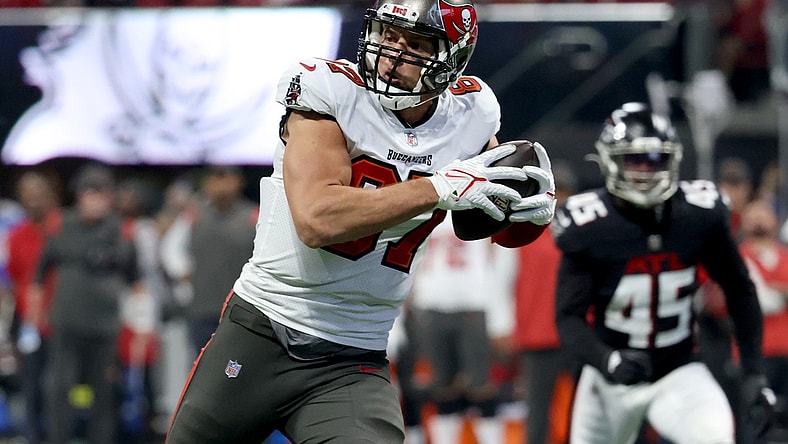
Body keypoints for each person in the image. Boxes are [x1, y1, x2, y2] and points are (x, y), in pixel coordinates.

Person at [165, 0, 557, 442]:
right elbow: (317, 220)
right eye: (389, 36)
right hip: (262, 331)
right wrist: (437, 187)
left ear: (451, 58)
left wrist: (524, 213)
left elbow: (483, 215)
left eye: (416, 44)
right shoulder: (328, 93)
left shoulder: (471, 115)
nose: (394, 53)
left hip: (353, 359)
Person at [552, 102, 774, 444]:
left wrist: (753, 373)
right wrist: (607, 360)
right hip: (609, 377)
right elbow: (568, 317)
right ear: (611, 160)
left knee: (714, 437)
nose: (646, 171)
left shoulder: (697, 215)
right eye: (635, 160)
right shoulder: (590, 225)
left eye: (656, 159)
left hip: (677, 369)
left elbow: (740, 290)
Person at [31, 163, 143, 444]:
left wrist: (141, 328)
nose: (96, 200)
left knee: (105, 393)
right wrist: (35, 320)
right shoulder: (60, 225)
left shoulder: (123, 231)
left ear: (110, 197)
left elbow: (138, 283)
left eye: (102, 193)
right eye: (90, 192)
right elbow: (38, 276)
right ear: (79, 195)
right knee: (59, 390)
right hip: (66, 324)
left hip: (106, 328)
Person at [408, 217, 518, 444]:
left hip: (472, 307)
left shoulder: (478, 211)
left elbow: (501, 263)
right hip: (432, 306)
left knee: (481, 385)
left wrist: (501, 317)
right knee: (441, 385)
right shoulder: (425, 212)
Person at [513, 160, 579, 444]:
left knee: (580, 413)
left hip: (574, 335)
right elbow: (509, 282)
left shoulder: (580, 233)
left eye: (565, 192)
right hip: (539, 336)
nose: (561, 198)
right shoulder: (525, 230)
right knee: (538, 416)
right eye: (557, 192)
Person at [6, 170, 62, 444]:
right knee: (29, 386)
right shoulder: (16, 236)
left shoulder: (62, 229)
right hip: (27, 322)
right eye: (27, 195)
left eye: (37, 193)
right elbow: (16, 279)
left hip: (59, 320)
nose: (33, 200)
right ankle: (32, 437)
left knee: (58, 387)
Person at [738, 199, 788, 442]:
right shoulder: (737, 257)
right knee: (756, 422)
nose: (759, 220)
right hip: (754, 355)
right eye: (753, 214)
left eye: (764, 214)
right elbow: (758, 300)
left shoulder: (785, 255)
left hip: (785, 350)